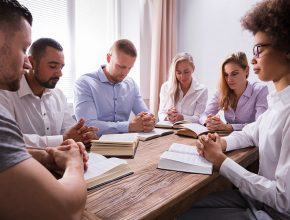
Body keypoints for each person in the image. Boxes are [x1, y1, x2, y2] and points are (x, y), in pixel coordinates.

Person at [179, 0, 290, 219]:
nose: (254, 58)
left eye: (259, 48)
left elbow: (284, 201)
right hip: (259, 199)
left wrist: (221, 160)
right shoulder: (276, 105)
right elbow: (251, 132)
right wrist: (222, 142)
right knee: (182, 211)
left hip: (275, 212)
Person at [0, 1, 87, 219]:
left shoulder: (58, 95)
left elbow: (8, 149)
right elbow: (65, 211)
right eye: (23, 48)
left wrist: (46, 157)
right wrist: (73, 161)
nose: (26, 64)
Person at [0, 38, 98, 148]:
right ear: (32, 62)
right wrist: (62, 139)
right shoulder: (6, 93)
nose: (59, 73)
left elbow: (68, 130)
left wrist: (83, 135)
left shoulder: (59, 95)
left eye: (61, 67)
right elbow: (8, 138)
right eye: (53, 66)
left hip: (62, 160)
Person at [74, 39, 155, 136]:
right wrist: (129, 126)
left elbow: (145, 114)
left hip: (126, 143)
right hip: (94, 144)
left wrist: (149, 121)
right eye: (121, 66)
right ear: (108, 58)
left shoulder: (131, 84)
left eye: (129, 68)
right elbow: (88, 126)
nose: (125, 73)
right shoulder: (85, 83)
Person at [199, 52, 268, 132]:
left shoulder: (260, 90)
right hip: (228, 138)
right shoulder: (222, 90)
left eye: (234, 74)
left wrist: (228, 127)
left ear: (246, 70)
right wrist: (208, 122)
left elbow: (259, 125)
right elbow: (203, 115)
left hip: (251, 141)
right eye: (226, 75)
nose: (229, 80)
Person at [158, 52, 208, 123]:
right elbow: (161, 114)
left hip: (190, 131)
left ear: (193, 68)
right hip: (168, 129)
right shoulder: (166, 87)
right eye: (178, 73)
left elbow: (199, 118)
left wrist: (182, 117)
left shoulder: (202, 90)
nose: (182, 77)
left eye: (186, 72)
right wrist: (169, 117)